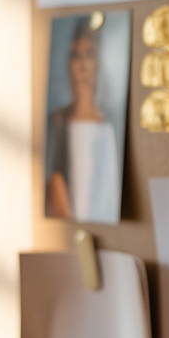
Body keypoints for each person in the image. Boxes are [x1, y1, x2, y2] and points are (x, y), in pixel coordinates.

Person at [45, 18, 120, 223]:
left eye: (90, 54)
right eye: (76, 56)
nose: (82, 66)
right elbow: (55, 180)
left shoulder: (112, 122)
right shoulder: (58, 121)